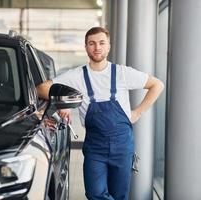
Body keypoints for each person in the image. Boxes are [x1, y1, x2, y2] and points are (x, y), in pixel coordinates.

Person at [36, 27, 164, 200]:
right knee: (95, 194)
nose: (97, 47)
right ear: (86, 47)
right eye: (92, 43)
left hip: (122, 146)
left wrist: (137, 113)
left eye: (102, 43)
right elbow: (41, 89)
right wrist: (62, 100)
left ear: (109, 46)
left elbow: (157, 85)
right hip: (95, 148)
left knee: (119, 195)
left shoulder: (122, 73)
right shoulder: (76, 76)